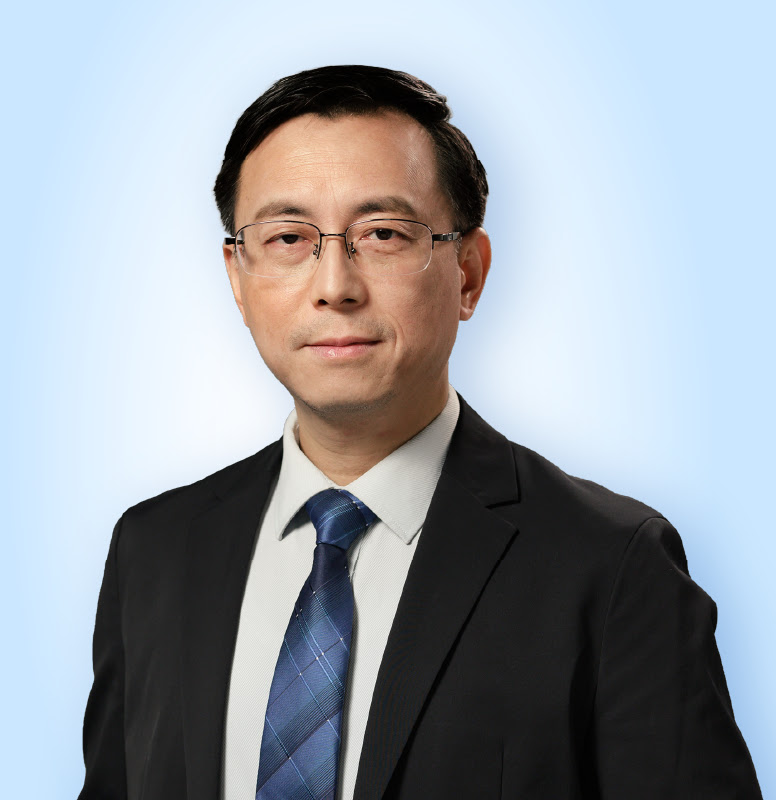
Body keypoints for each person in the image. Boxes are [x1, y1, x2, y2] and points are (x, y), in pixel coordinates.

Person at [77, 65, 762, 800]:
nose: (334, 286)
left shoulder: (613, 565)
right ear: (237, 278)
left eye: (382, 234)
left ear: (468, 273)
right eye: (287, 237)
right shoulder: (154, 551)